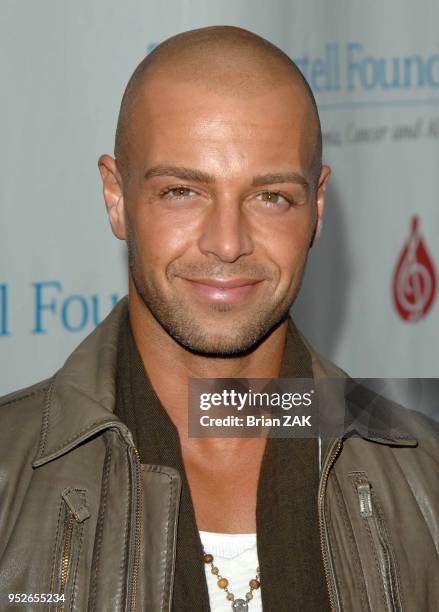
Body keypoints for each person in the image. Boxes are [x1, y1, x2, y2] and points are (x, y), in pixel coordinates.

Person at [0, 25, 437, 612]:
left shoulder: (424, 473)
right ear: (116, 196)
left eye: (271, 196)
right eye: (183, 191)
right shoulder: (11, 473)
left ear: (317, 207)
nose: (227, 244)